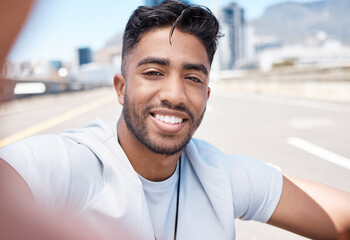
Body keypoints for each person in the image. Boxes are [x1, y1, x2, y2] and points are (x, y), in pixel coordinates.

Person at [0, 1, 349, 239]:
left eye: (193, 78)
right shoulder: (73, 163)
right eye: (154, 72)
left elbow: (339, 219)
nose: (175, 94)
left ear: (207, 97)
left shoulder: (219, 175)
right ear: (121, 88)